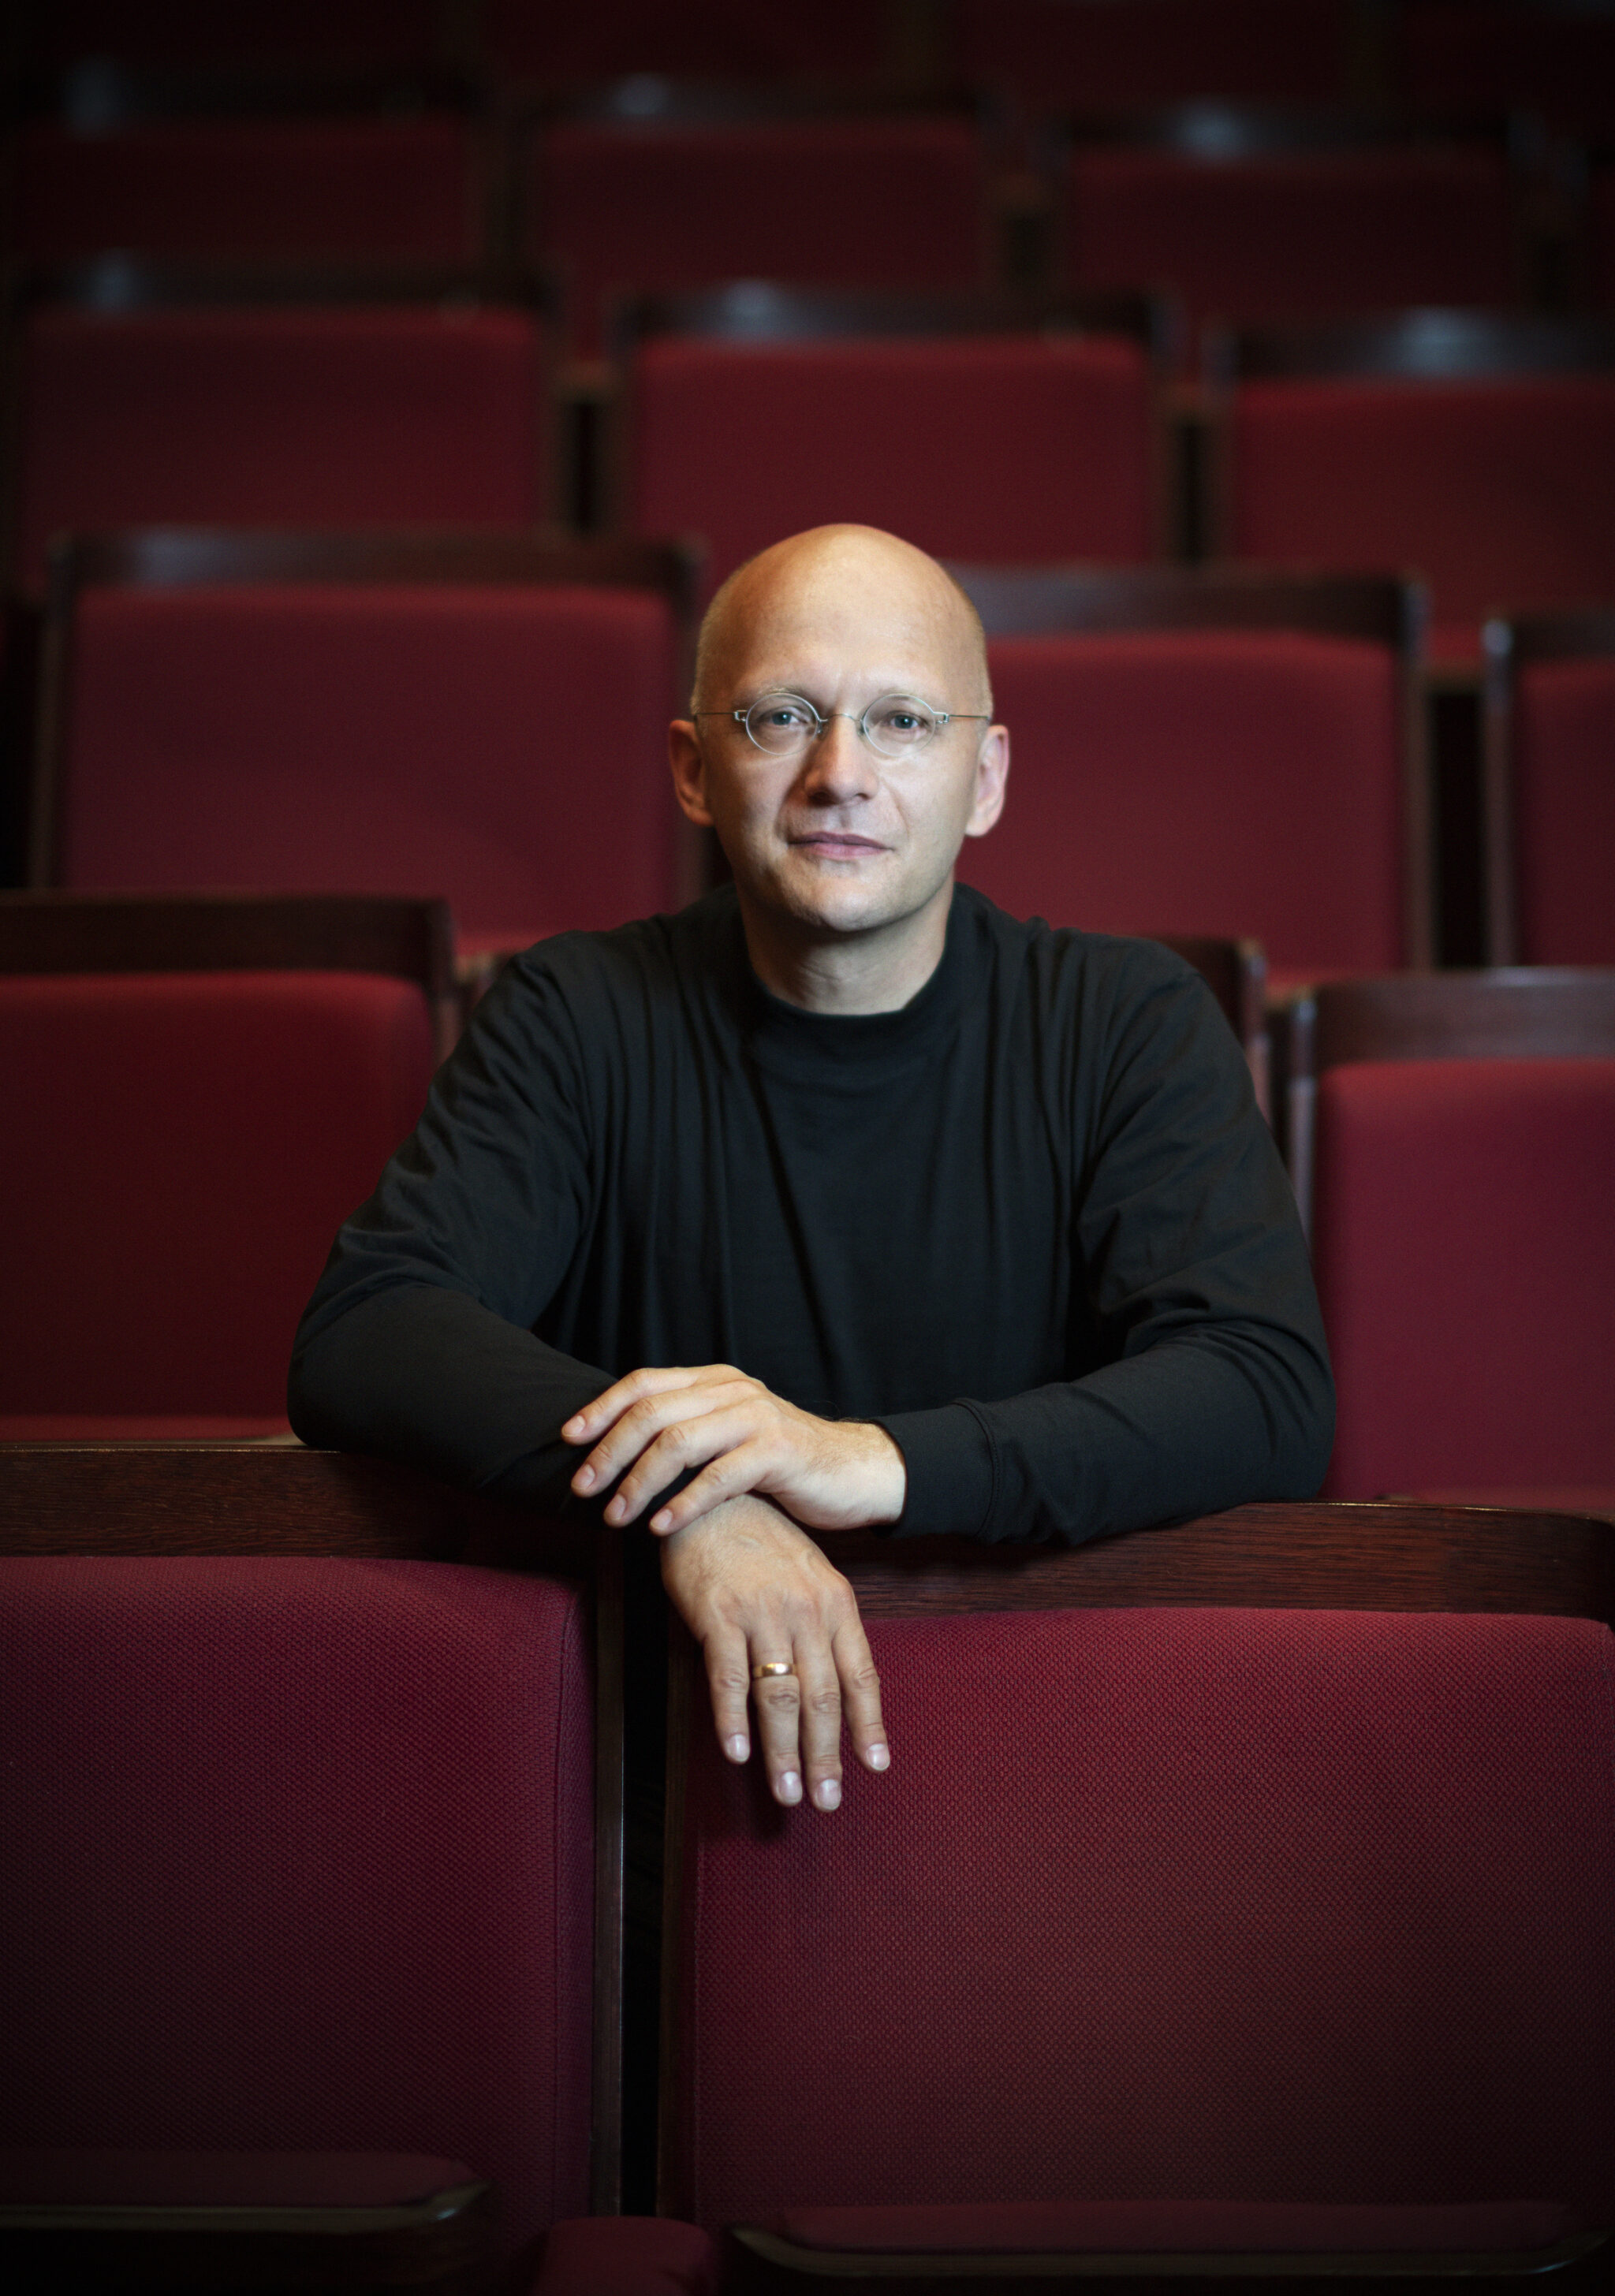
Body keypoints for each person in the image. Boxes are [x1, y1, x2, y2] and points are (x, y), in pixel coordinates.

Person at [290, 522, 1333, 1817]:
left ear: (987, 775)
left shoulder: (1125, 1022)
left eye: (903, 722)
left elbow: (1262, 1391)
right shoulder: (577, 1011)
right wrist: (697, 1506)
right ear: (691, 766)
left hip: (1052, 1765)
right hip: (660, 1790)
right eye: (783, 714)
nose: (841, 774)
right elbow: (370, 1329)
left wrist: (859, 1461)